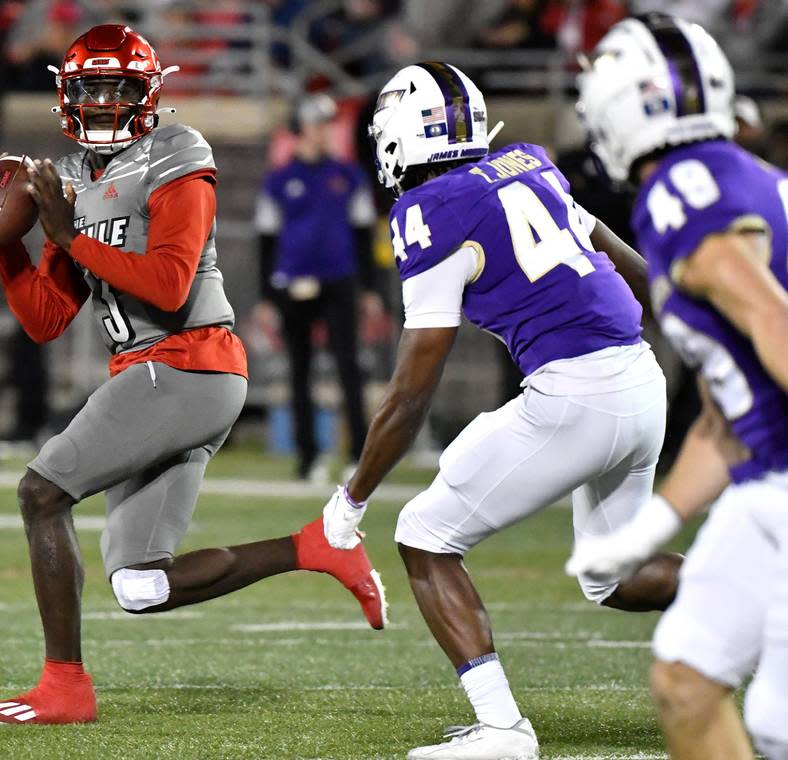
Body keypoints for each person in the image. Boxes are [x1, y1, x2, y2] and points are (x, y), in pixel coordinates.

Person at [0, 24, 386, 727]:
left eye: (117, 89)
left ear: (147, 94)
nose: (103, 103)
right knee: (140, 585)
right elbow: (46, 320)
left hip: (189, 362)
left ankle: (64, 685)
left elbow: (167, 285)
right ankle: (315, 547)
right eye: (89, 89)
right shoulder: (69, 177)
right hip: (154, 372)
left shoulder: (177, 152)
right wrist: (5, 246)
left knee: (41, 493)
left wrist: (69, 237)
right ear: (67, 96)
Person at [321, 61, 679, 759]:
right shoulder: (529, 164)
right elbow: (621, 260)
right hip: (640, 376)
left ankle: (503, 729)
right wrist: (684, 308)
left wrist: (354, 494)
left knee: (425, 534)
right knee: (614, 575)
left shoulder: (427, 212)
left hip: (578, 394)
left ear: (400, 135)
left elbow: (414, 382)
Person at [569, 14, 788, 759]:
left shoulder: (679, 194)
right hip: (763, 481)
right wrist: (646, 531)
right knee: (685, 683)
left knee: (777, 726)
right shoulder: (727, 175)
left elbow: (770, 317)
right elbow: (730, 412)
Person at [256, 93, 379, 480]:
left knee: (349, 368)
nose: (323, 132)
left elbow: (363, 234)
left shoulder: (348, 175)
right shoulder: (279, 180)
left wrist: (369, 288)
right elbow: (267, 240)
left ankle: (360, 454)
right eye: (317, 124)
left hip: (339, 280)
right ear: (301, 129)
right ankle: (307, 457)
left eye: (328, 124)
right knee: (299, 370)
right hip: (293, 283)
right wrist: (267, 296)